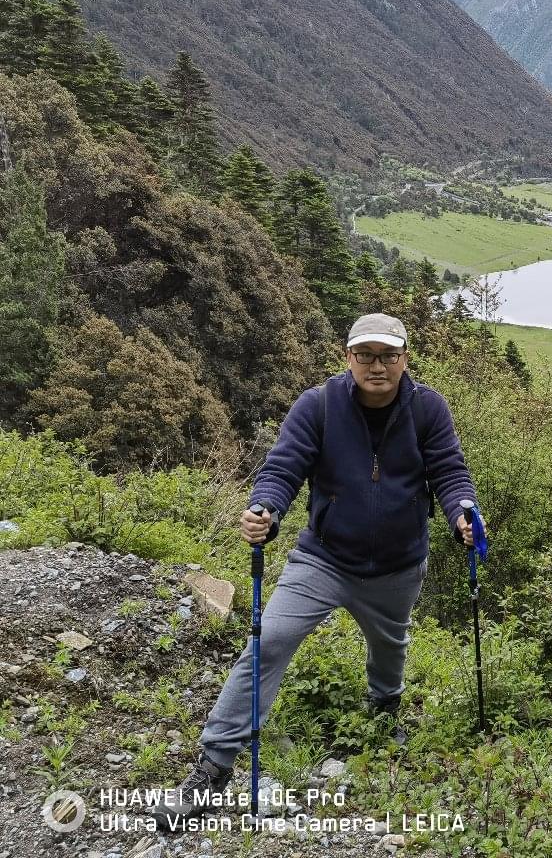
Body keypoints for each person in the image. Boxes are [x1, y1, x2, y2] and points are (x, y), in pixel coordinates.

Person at [152, 313, 478, 824]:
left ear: (404, 359)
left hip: (398, 564)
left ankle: (384, 707)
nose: (378, 366)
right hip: (323, 559)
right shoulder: (319, 405)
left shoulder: (428, 408)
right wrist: (265, 508)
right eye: (366, 355)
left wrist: (462, 510)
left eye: (388, 355)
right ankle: (213, 768)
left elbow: (449, 470)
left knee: (390, 645)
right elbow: (283, 466)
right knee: (269, 641)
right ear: (348, 358)